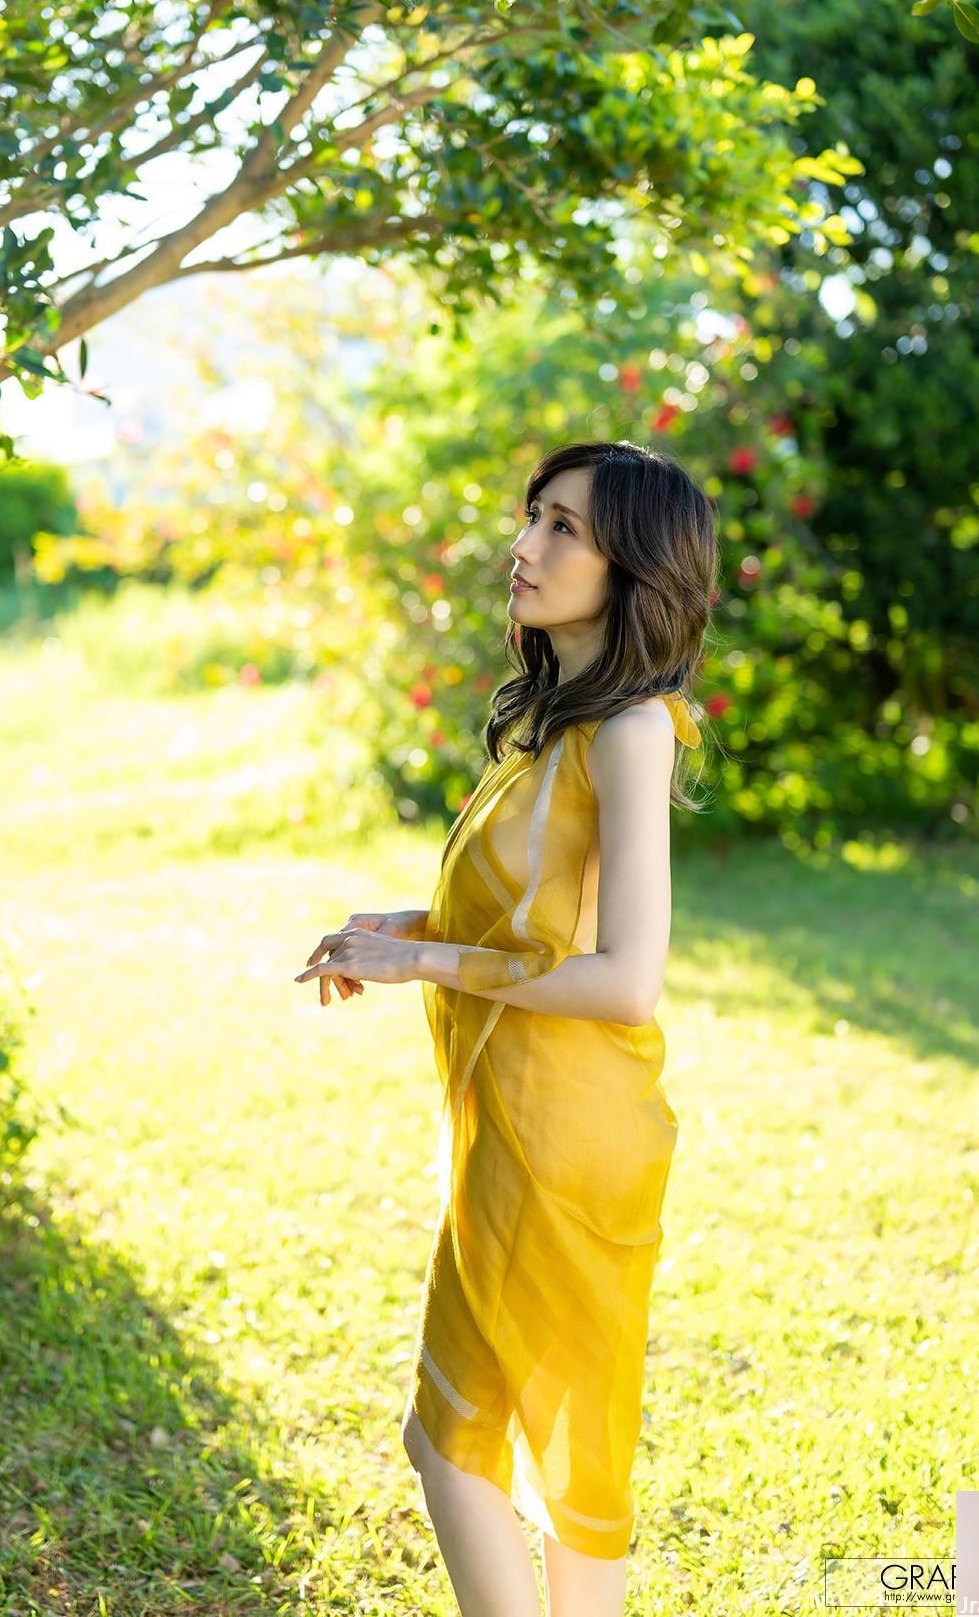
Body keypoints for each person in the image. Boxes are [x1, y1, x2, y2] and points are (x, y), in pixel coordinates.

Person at [294, 439, 718, 1616]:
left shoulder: (630, 730)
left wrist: (420, 961)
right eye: (533, 517)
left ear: (631, 565)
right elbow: (527, 924)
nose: (523, 547)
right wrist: (406, 928)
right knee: (538, 1445)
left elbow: (625, 979)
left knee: (458, 1444)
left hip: (564, 1136)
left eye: (562, 528)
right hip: (513, 1126)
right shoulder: (554, 724)